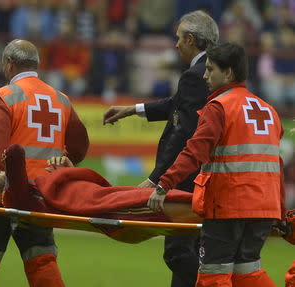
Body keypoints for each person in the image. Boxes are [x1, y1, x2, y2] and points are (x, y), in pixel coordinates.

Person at [147, 42, 284, 287]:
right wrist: (280, 211)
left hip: (229, 205)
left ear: (228, 73)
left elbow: (194, 151)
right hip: (265, 208)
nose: (205, 75)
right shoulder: (269, 111)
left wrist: (164, 183)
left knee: (213, 274)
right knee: (247, 271)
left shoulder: (219, 107)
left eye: (210, 69)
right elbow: (275, 164)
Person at [103, 10, 219, 287]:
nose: (175, 44)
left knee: (178, 252)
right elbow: (176, 104)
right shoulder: (210, 72)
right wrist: (133, 109)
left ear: (191, 39)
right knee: (195, 251)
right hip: (210, 176)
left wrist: (157, 178)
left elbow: (183, 134)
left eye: (178, 38)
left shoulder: (195, 75)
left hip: (188, 181)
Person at [0, 39, 89, 287]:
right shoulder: (60, 99)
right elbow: (80, 148)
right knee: (42, 261)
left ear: (9, 64)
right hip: (42, 194)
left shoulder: (4, 97)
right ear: (36, 65)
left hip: (4, 195)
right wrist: (63, 161)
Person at [0, 144, 201, 227]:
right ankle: (219, 212)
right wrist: (4, 158)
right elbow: (15, 152)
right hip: (104, 204)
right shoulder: (15, 200)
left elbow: (67, 195)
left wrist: (67, 170)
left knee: (181, 201)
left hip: (102, 197)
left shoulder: (28, 195)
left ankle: (218, 211)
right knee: (183, 203)